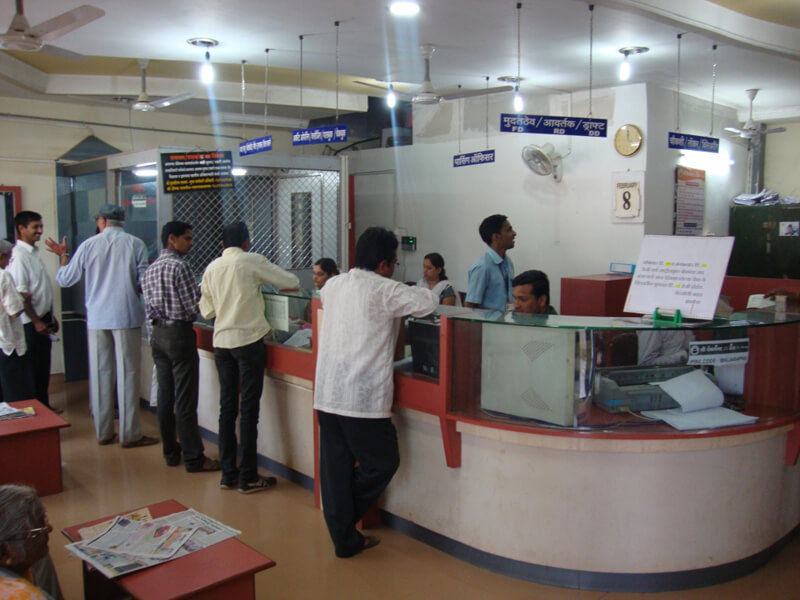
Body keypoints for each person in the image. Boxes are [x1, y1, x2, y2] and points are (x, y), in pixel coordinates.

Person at [314, 227, 438, 558]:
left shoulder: (333, 285)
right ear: (384, 264)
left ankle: (343, 535)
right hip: (361, 398)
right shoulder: (384, 289)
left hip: (327, 393)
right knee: (383, 462)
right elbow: (428, 301)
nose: (394, 269)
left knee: (336, 467)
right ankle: (342, 523)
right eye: (394, 263)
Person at [45, 204, 157, 448]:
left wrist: (63, 256)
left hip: (97, 318)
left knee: (100, 373)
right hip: (126, 315)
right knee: (128, 373)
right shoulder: (135, 244)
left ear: (103, 221)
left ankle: (103, 432)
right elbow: (144, 282)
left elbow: (65, 279)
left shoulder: (88, 245)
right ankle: (130, 434)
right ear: (121, 221)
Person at [199, 222, 300, 494]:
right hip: (248, 342)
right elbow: (291, 282)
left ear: (222, 245)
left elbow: (207, 311)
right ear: (246, 242)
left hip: (222, 343)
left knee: (227, 409)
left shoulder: (212, 268)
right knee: (249, 411)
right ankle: (248, 476)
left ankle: (227, 474)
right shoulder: (251, 261)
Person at [141, 222, 220, 472]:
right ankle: (194, 458)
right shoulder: (181, 267)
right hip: (179, 335)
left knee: (165, 396)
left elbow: (148, 308)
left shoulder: (150, 269)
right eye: (187, 238)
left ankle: (171, 452)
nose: (191, 243)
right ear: (171, 240)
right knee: (185, 399)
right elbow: (193, 306)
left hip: (158, 335)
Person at [6, 212, 59, 413]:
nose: (40, 231)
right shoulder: (19, 256)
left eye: (41, 226)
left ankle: (45, 408)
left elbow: (39, 289)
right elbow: (22, 295)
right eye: (35, 227)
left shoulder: (33, 253)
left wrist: (50, 316)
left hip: (42, 317)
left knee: (42, 369)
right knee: (32, 370)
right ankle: (38, 412)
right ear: (21, 228)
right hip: (30, 322)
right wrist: (37, 321)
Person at [0, 484, 63, 600]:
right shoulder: (20, 595)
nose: (49, 528)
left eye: (44, 520)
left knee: (42, 559)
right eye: (37, 531)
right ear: (4, 553)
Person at [0, 239, 35, 402]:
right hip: (7, 343)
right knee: (13, 392)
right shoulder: (4, 276)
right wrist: (22, 298)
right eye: (8, 258)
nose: (9, 262)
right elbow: (14, 312)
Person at [465, 214, 516, 311]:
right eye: (509, 230)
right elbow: (470, 305)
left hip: (507, 318)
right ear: (496, 237)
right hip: (489, 320)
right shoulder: (482, 267)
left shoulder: (508, 262)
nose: (514, 233)